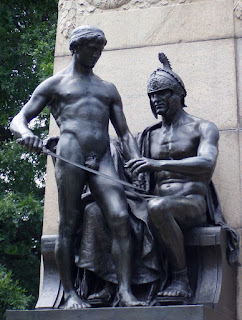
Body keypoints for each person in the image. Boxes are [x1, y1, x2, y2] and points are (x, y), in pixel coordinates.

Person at [10, 25, 146, 309]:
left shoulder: (107, 88)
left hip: (102, 156)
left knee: (120, 216)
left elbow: (123, 133)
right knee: (68, 224)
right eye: (91, 49)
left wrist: (135, 163)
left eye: (100, 50)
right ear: (75, 48)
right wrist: (27, 135)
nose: (97, 55)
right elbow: (19, 120)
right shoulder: (54, 84)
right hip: (71, 152)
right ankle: (70, 294)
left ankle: (125, 291)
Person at [126, 53, 219, 298]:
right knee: (103, 210)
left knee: (158, 207)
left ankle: (181, 279)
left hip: (192, 204)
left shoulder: (202, 127)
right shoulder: (149, 135)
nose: (156, 100)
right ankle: (113, 286)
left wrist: (157, 164)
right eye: (152, 95)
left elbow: (207, 162)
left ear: (179, 94)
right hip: (154, 202)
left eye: (162, 93)